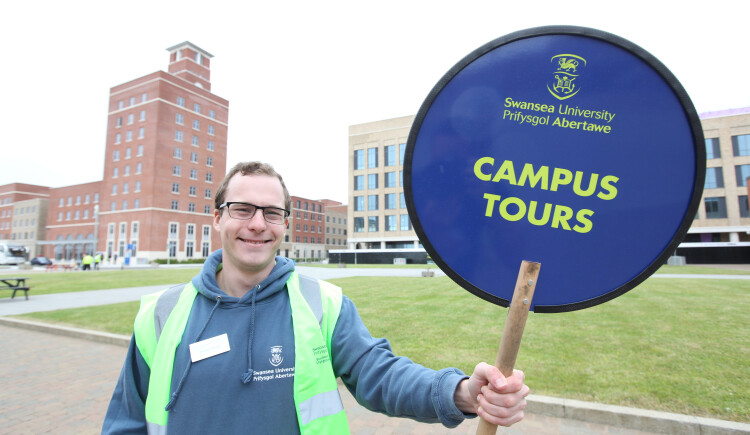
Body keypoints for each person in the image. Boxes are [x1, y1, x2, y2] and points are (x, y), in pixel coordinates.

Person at [103, 162, 529, 434]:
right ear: (217, 218)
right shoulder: (161, 314)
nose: (257, 224)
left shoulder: (321, 303)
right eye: (242, 209)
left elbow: (379, 373)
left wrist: (460, 392)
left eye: (272, 213)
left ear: (285, 224)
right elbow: (125, 421)